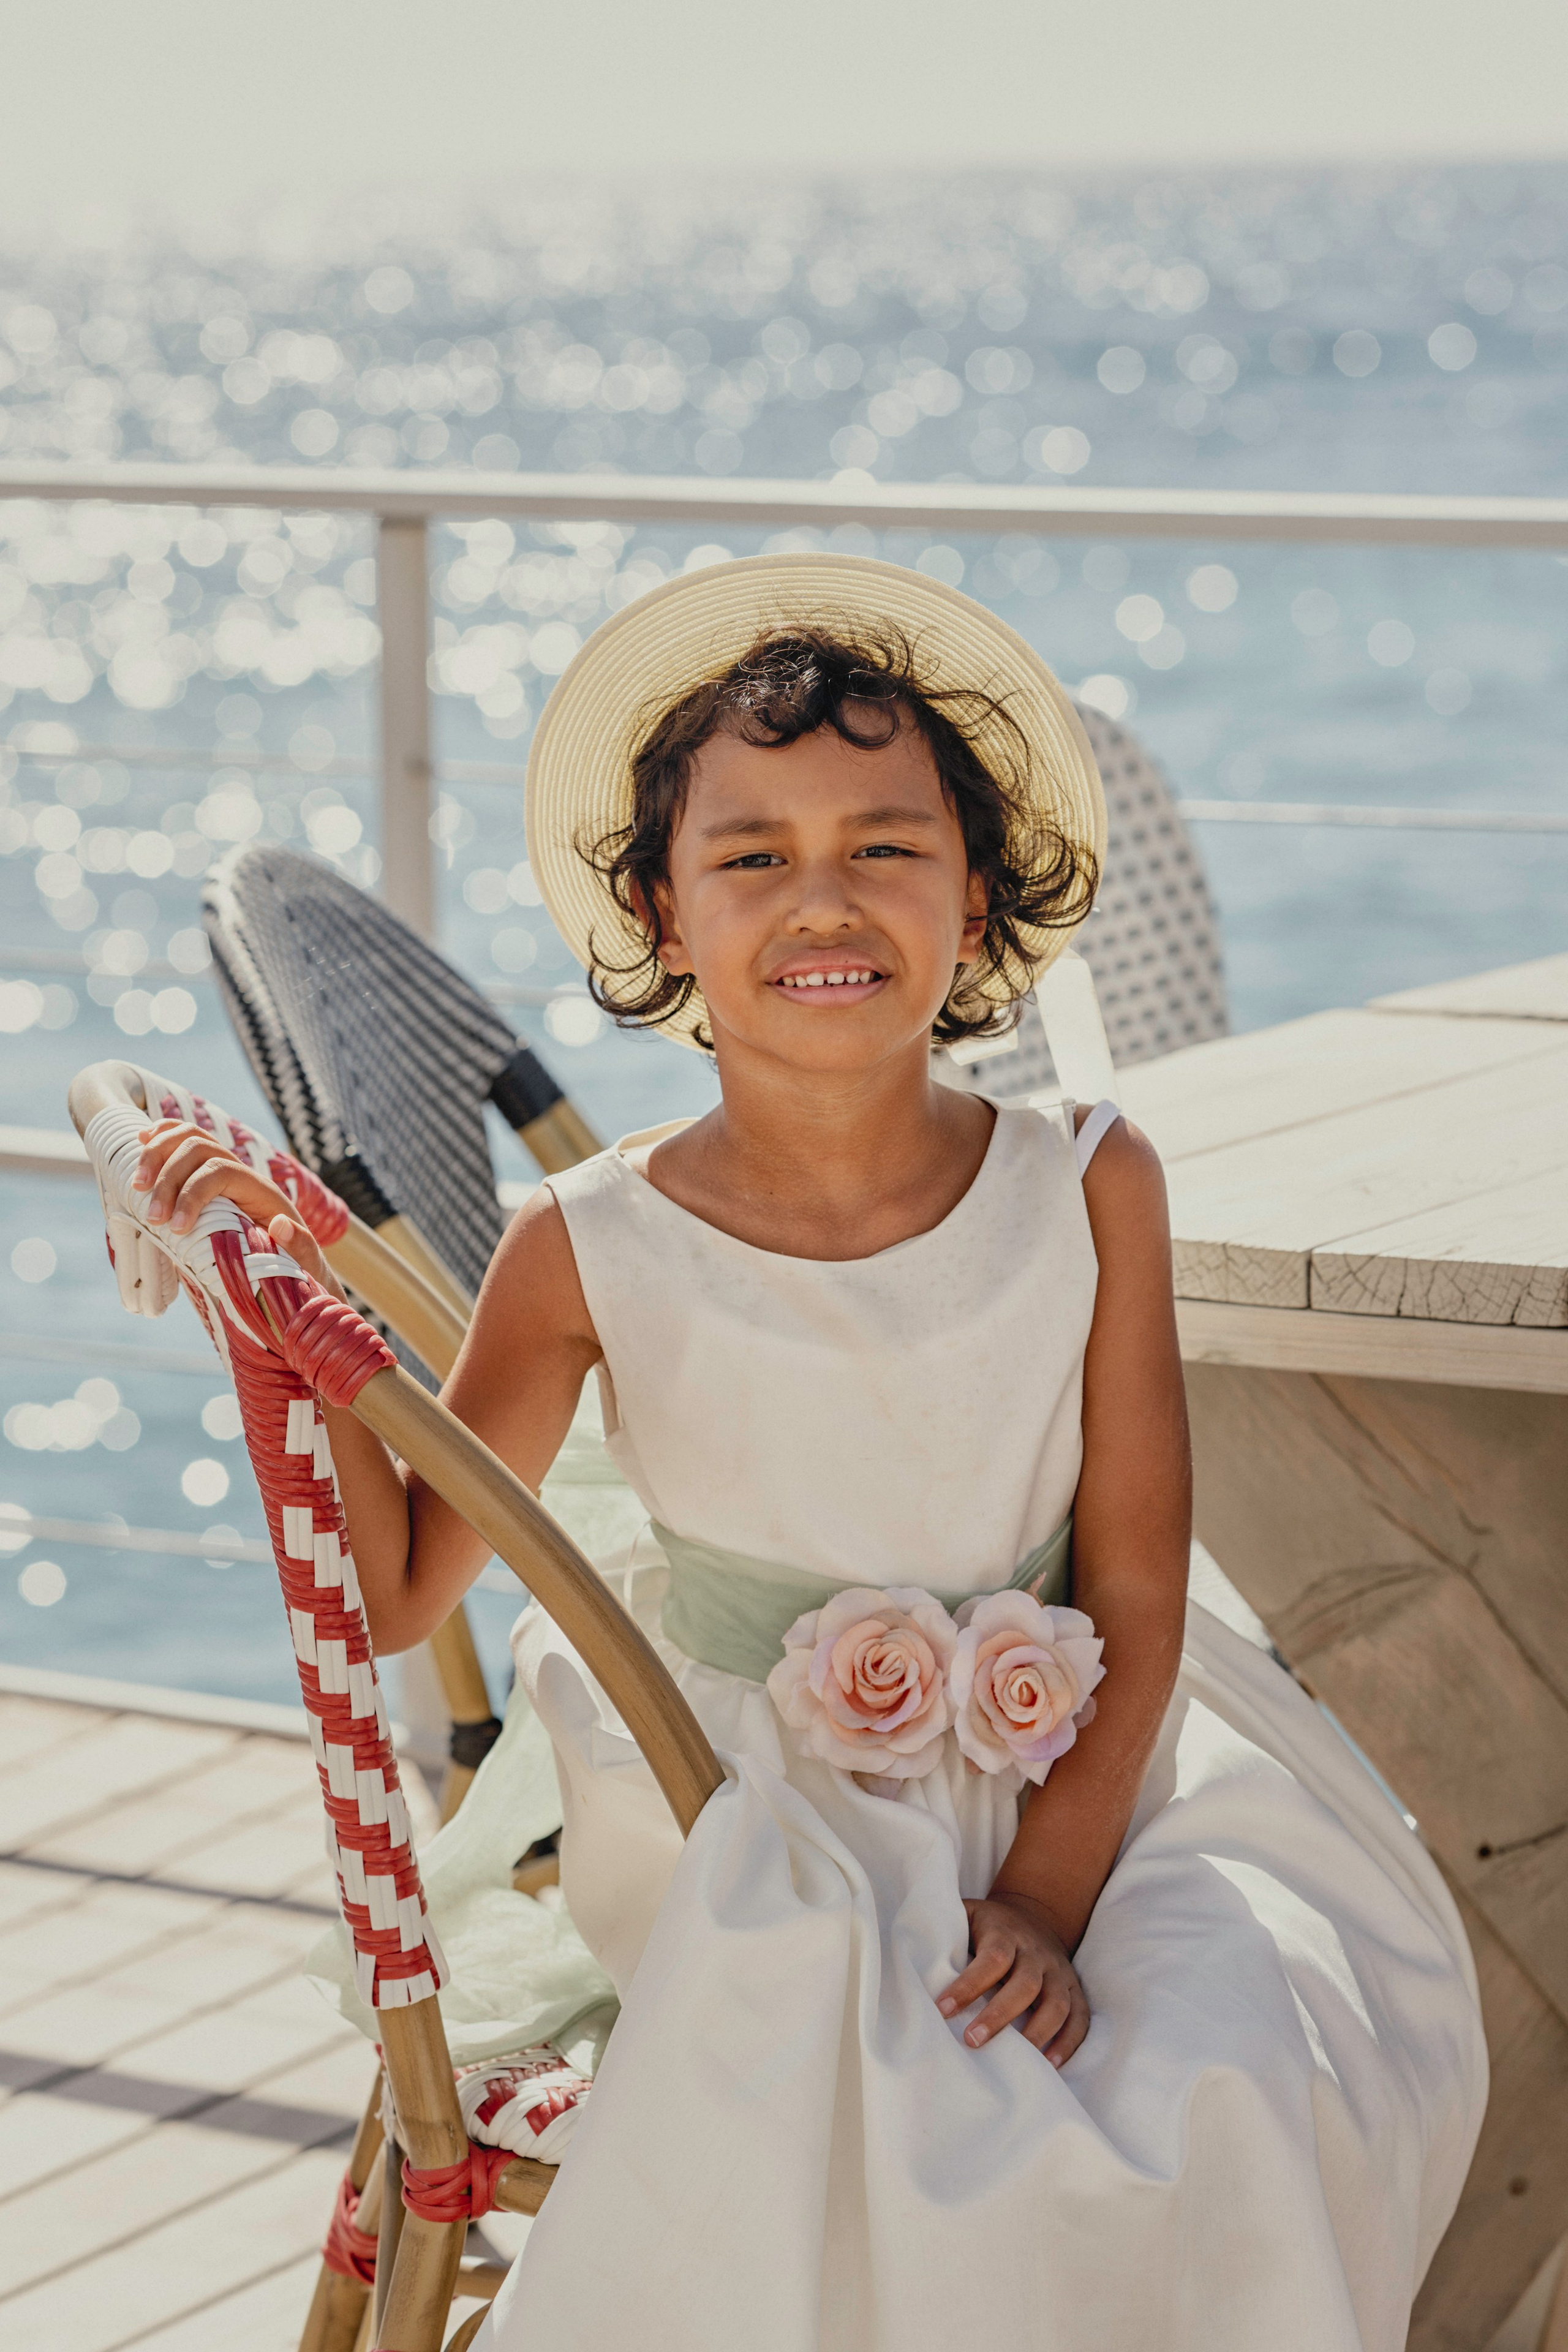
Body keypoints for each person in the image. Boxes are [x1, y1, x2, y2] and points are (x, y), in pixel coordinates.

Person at [132, 557, 1486, 2351]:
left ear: (977, 891)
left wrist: (1050, 1897)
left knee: (1238, 2065)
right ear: (664, 910)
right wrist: (288, 1318)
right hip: (755, 1816)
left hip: (1093, 1776)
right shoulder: (585, 1247)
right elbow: (393, 1596)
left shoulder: (1092, 1183)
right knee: (930, 2116)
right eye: (753, 855)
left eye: (886, 844)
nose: (822, 899)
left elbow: (1142, 1587)